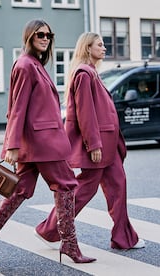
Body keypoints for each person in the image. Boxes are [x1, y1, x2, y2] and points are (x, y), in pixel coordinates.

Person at [0, 19, 96, 264]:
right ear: (29, 36)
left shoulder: (35, 64)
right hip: (42, 144)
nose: (45, 38)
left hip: (39, 143)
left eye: (49, 35)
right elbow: (17, 108)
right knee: (67, 186)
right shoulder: (26, 65)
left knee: (19, 190)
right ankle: (69, 246)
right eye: (40, 34)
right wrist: (12, 146)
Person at [35, 32, 145, 250]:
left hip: (109, 145)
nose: (104, 48)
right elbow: (86, 113)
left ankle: (123, 238)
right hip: (99, 145)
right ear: (87, 48)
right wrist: (93, 144)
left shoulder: (92, 72)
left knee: (118, 186)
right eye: (100, 45)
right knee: (85, 188)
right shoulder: (84, 74)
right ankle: (49, 229)